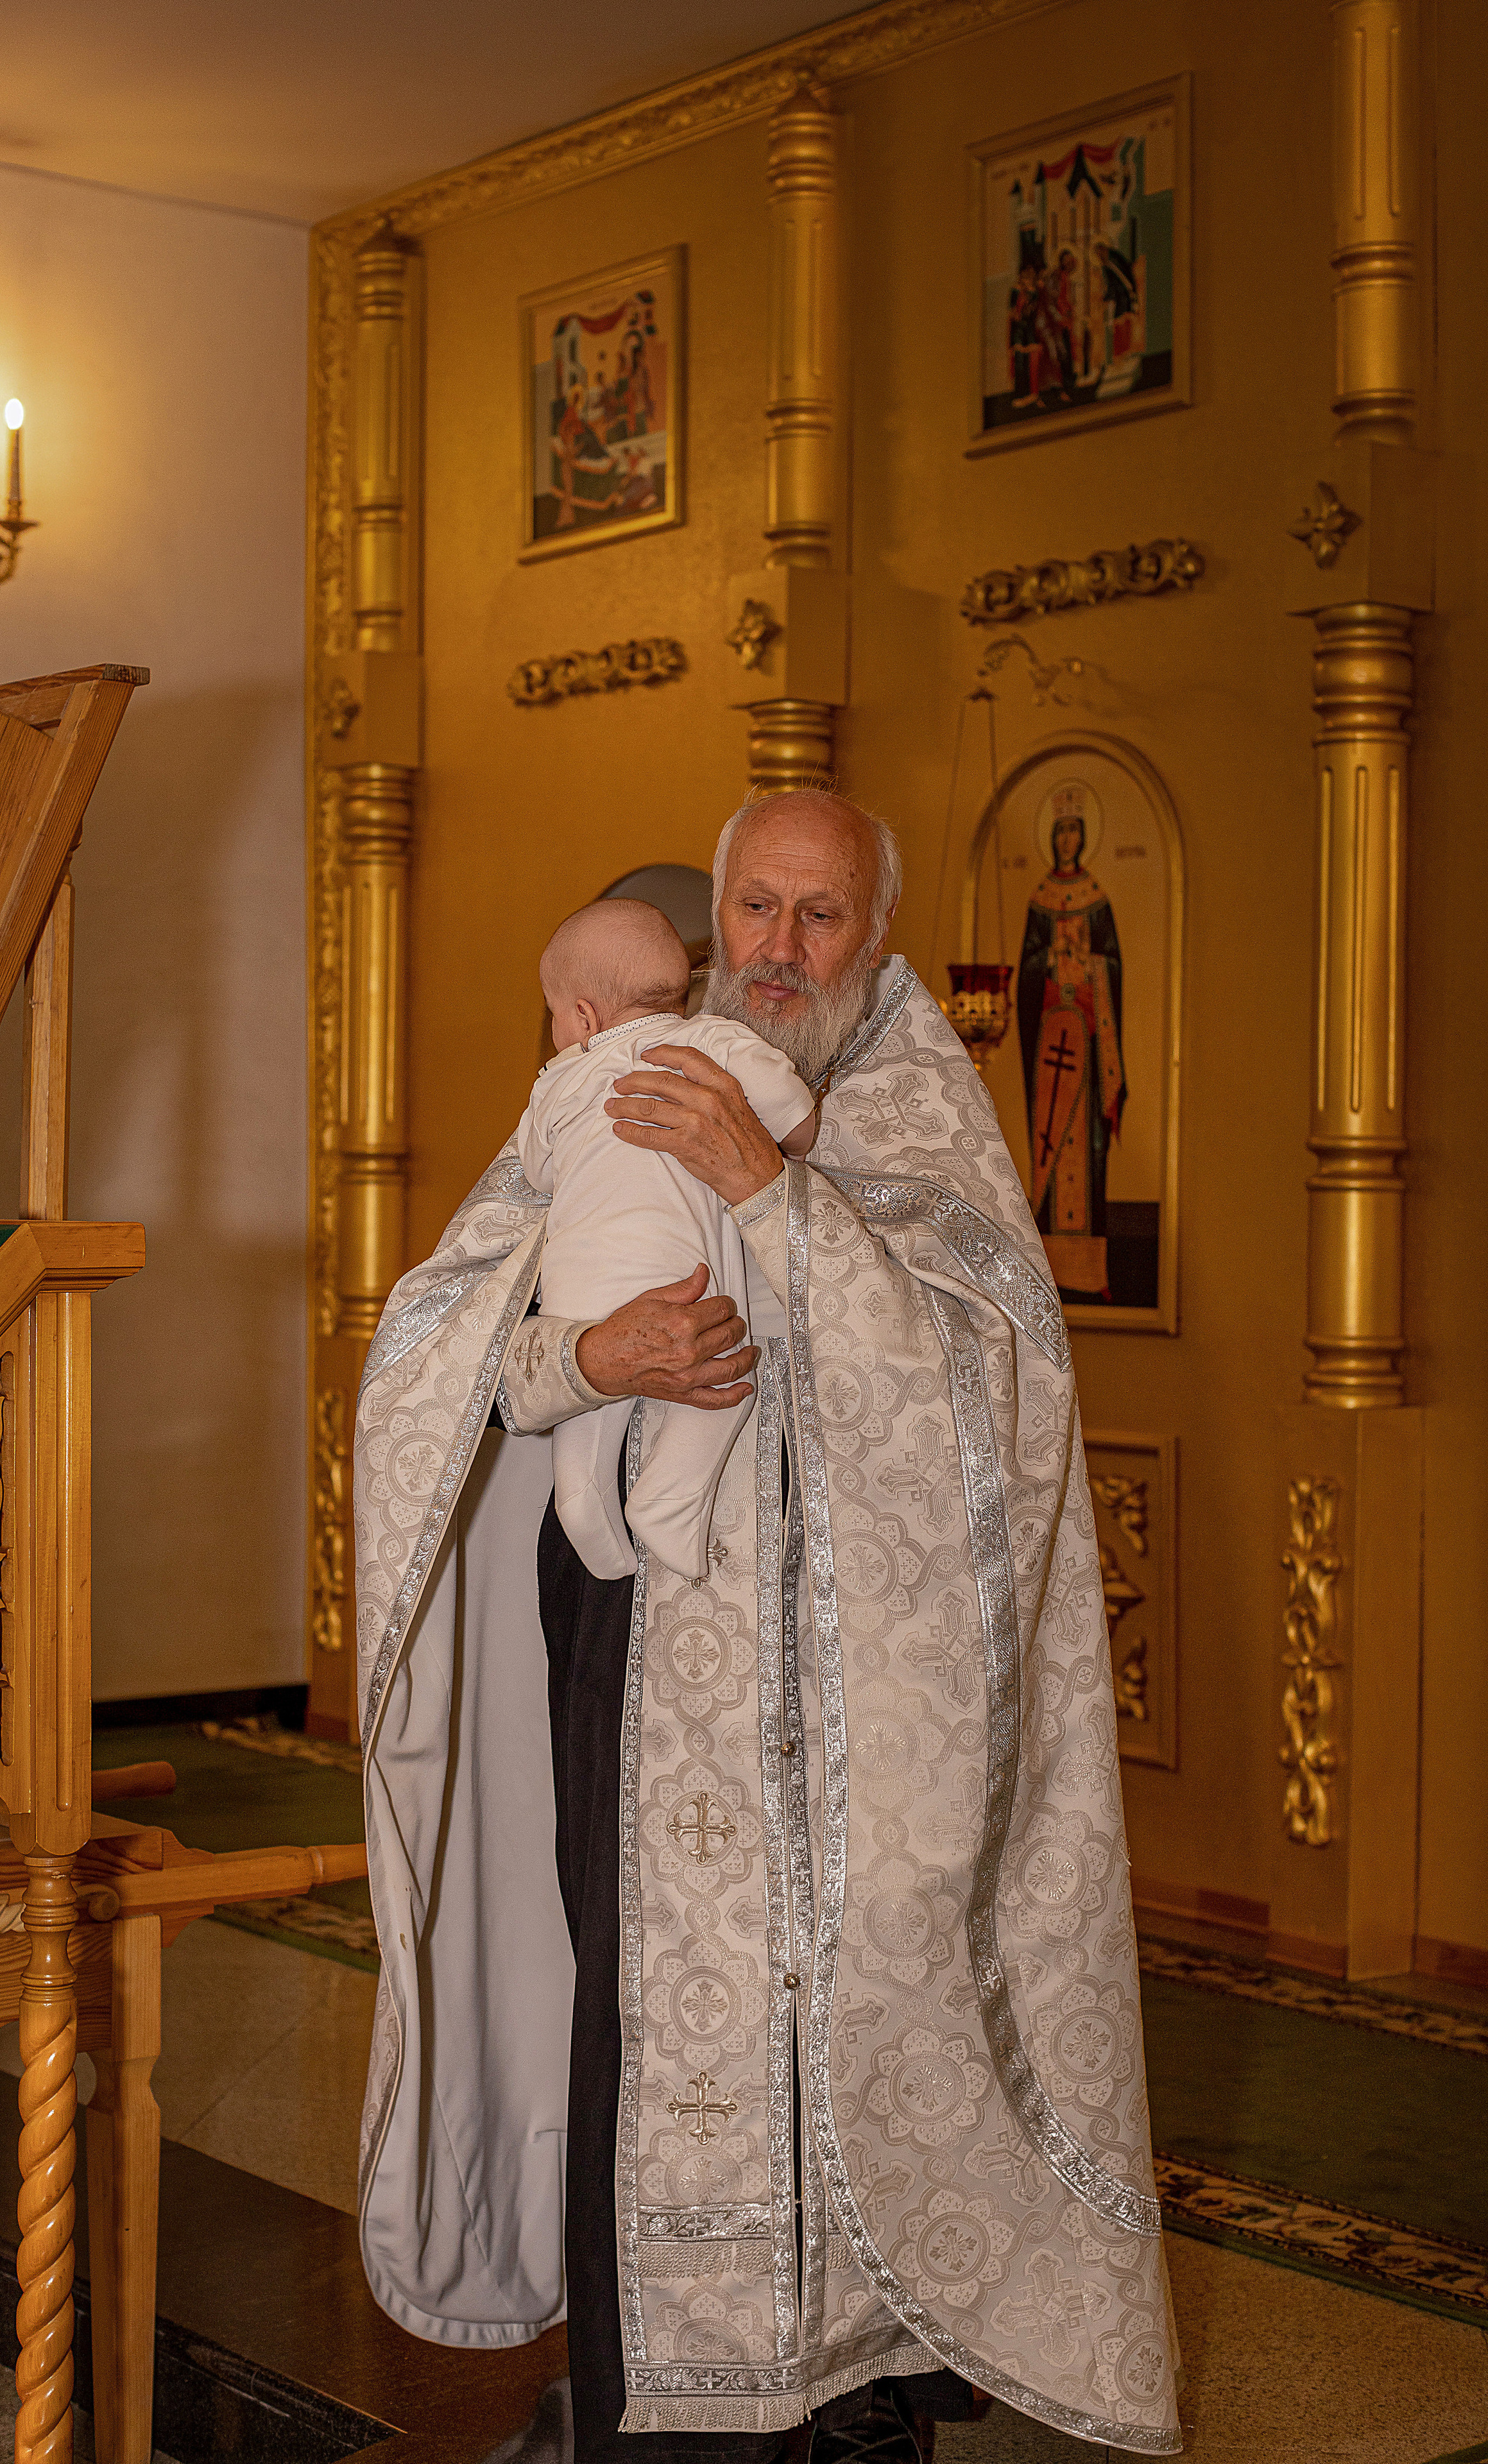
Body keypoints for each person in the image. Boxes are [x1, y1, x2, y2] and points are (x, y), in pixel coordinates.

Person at [354, 791, 1179, 2462]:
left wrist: (777, 1204)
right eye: (757, 910)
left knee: (846, 2054)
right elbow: (457, 1344)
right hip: (633, 1676)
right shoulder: (635, 1071)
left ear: (874, 934)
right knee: (637, 2033)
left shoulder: (916, 1125)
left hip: (862, 1726)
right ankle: (641, 2411)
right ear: (716, 912)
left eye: (822, 916)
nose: (782, 948)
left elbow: (988, 1399)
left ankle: (849, 2420)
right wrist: (598, 1361)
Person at [519, 896, 817, 1582]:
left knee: (584, 1413)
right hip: (682, 1273)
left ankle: (581, 1502)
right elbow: (796, 1123)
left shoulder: (560, 1080)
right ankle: (671, 1499)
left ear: (584, 1016)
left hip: (575, 1286)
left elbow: (536, 1172)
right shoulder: (710, 1043)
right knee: (724, 1364)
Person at [1015, 789, 1125, 1301]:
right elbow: (1027, 974)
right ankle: (1051, 1271)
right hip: (1050, 1050)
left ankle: (1092, 1272)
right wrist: (1053, 967)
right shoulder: (1040, 899)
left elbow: (1115, 967)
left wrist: (1090, 970)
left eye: (1072, 832)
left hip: (1089, 1043)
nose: (1065, 840)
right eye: (1059, 832)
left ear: (1082, 838)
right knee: (1051, 1149)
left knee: (1091, 1155)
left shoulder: (1096, 900)